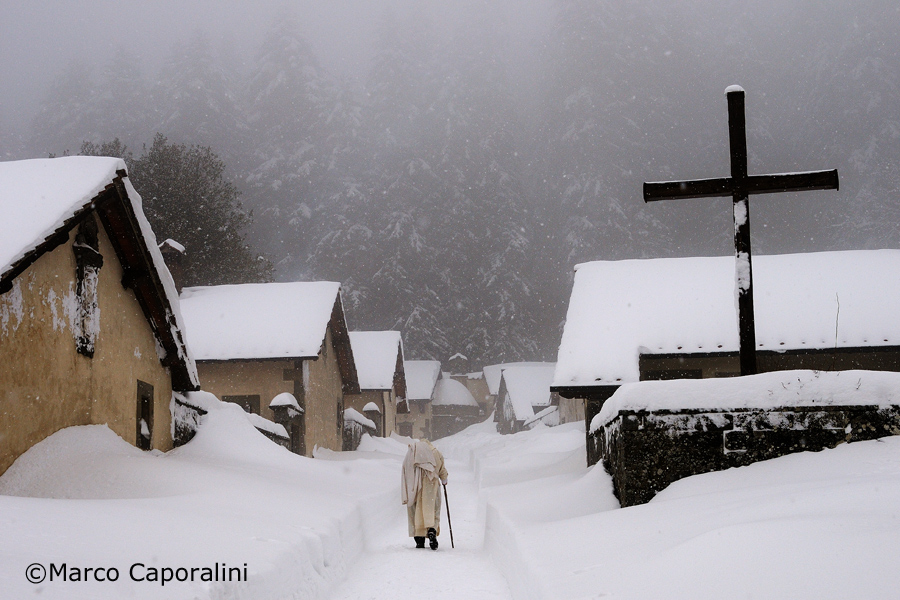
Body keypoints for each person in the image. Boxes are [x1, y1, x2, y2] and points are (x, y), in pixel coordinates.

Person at [401, 438, 449, 550]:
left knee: (416, 510)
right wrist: (444, 479)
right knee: (432, 509)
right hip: (431, 486)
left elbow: (406, 468)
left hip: (415, 486)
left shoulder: (413, 452)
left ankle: (419, 538)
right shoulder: (436, 452)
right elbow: (442, 469)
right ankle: (432, 529)